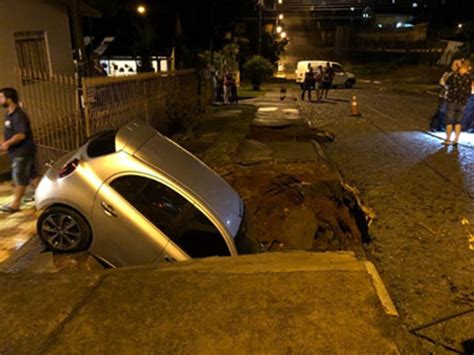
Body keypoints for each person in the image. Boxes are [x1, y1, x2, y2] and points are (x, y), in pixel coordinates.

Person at [0, 88, 39, 213]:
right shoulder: (9, 113)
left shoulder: (18, 115)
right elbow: (10, 131)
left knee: (19, 177)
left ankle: (15, 205)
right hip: (19, 151)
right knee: (33, 175)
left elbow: (21, 135)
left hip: (21, 151)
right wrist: (4, 141)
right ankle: (41, 196)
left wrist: (7, 143)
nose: (0, 100)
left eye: (1, 97)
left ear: (9, 99)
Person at [444, 60, 472, 146]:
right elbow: (469, 90)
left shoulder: (454, 75)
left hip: (452, 101)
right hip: (462, 102)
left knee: (449, 121)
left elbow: (446, 83)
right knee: (458, 122)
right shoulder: (469, 77)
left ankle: (448, 139)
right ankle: (456, 140)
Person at [430, 67, 455, 132]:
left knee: (448, 112)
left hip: (453, 96)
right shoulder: (448, 74)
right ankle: (437, 125)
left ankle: (442, 125)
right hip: (445, 95)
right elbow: (442, 82)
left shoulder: (459, 75)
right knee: (441, 111)